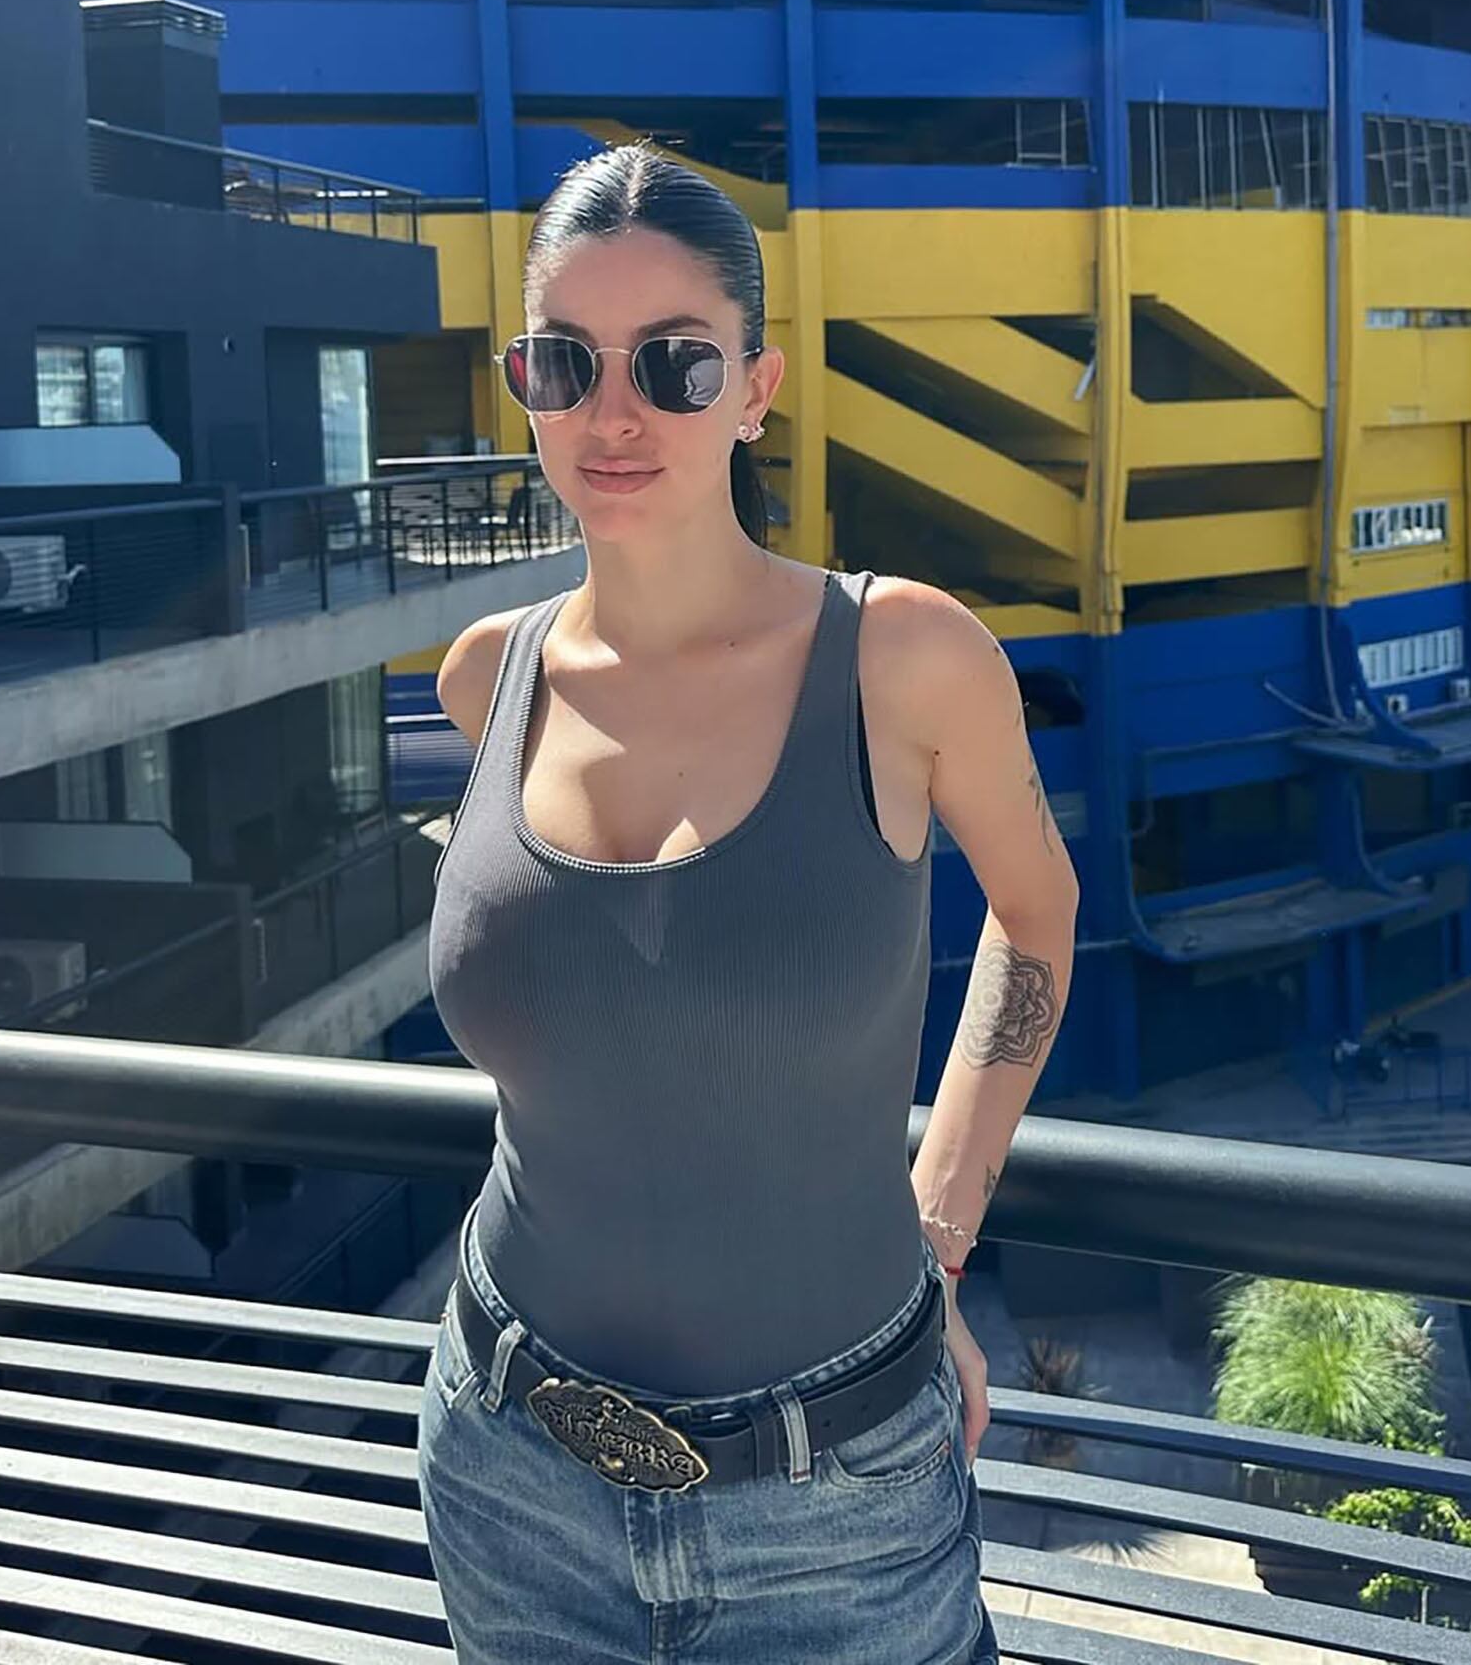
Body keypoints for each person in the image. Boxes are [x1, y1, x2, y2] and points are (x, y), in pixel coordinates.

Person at [416, 140, 1081, 1663]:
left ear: (758, 388)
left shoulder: (903, 660)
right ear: (522, 382)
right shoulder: (487, 681)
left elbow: (1036, 917)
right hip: (510, 1468)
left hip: (837, 1499)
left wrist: (943, 1220)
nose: (616, 411)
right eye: (568, 361)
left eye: (676, 363)